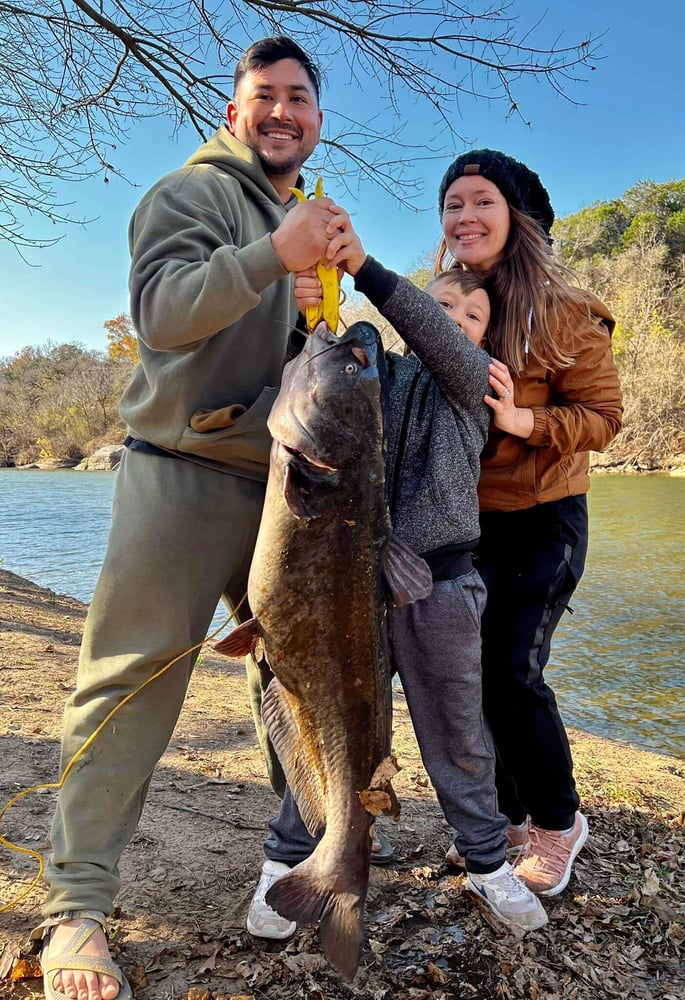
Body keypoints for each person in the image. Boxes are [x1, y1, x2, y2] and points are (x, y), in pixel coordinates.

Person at [33, 35, 342, 1000]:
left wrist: (303, 303)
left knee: (302, 679)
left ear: (318, 119)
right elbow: (162, 315)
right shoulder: (190, 194)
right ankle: (75, 911)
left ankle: (300, 869)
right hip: (181, 471)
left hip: (285, 488)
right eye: (265, 96)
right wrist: (269, 256)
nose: (282, 110)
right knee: (129, 685)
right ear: (232, 111)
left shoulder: (295, 212)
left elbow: (299, 359)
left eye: (299, 97)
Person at [243, 238, 549, 939]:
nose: (451, 317)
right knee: (323, 725)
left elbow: (436, 341)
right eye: (441, 302)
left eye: (469, 314)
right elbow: (309, 378)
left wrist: (369, 273)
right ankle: (292, 859)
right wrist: (310, 312)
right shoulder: (371, 380)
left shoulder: (474, 383)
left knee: (459, 738)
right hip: (348, 590)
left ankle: (484, 862)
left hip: (439, 586)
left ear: (480, 337)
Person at [434, 149, 623, 896]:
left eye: (480, 201)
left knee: (512, 671)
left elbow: (604, 419)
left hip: (544, 519)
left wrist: (524, 417)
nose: (464, 217)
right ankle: (506, 823)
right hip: (460, 524)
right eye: (452, 204)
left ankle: (557, 822)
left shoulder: (569, 312)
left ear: (516, 217)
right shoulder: (446, 302)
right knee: (470, 680)